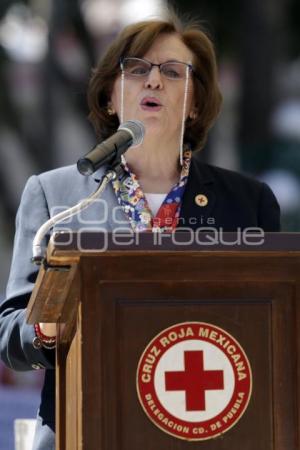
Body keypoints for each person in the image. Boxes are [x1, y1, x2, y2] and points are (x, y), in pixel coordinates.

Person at [0, 10, 280, 450]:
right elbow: (9, 335)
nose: (153, 81)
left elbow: (273, 332)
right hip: (86, 427)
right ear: (111, 97)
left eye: (172, 72)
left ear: (194, 104)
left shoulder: (248, 202)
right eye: (136, 69)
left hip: (209, 428)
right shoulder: (56, 196)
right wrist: (46, 330)